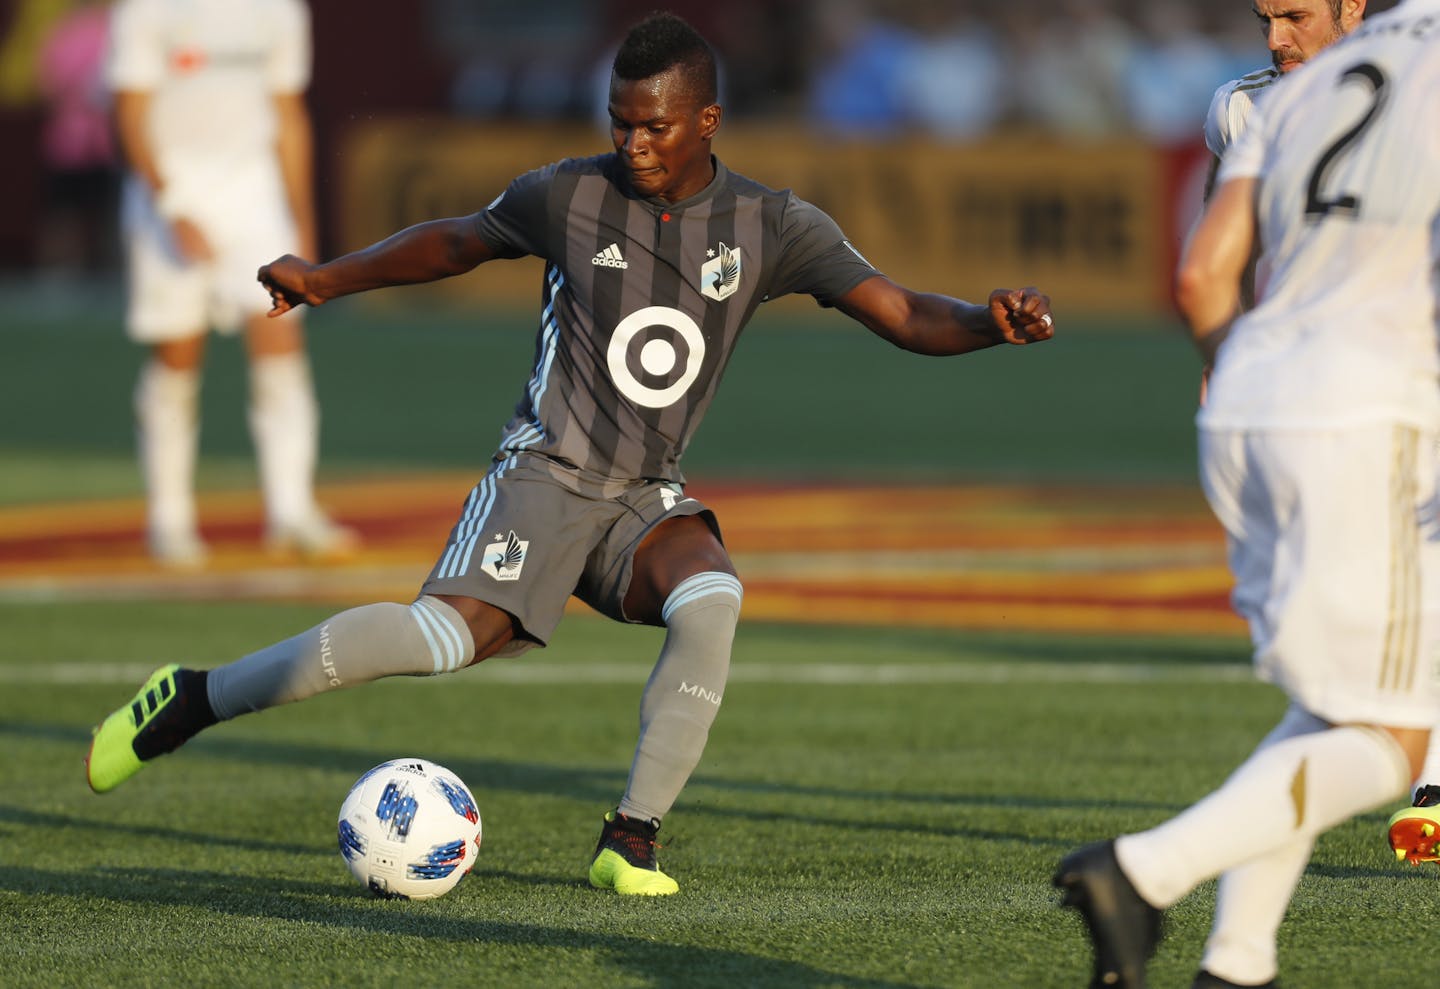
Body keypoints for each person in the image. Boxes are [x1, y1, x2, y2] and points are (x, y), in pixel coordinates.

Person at [84, 12, 1055, 896]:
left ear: (707, 121)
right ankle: (196, 696)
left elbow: (902, 313)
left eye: (654, 127)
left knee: (712, 595)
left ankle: (630, 838)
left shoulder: (774, 225)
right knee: (441, 640)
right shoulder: (566, 194)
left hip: (642, 496)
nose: (631, 143)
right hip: (544, 476)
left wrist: (984, 320)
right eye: (619, 121)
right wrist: (327, 280)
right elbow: (457, 243)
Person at [1055, 3, 1440, 987]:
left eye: (1292, 13)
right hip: (1369, 408)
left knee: (1330, 700)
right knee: (1392, 739)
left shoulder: (1278, 101)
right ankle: (1142, 870)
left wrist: (1245, 378)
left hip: (1254, 398)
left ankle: (1237, 961)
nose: (1276, 36)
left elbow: (1200, 275)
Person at [107, 0, 355, 567]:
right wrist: (171, 205)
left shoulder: (280, 10)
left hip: (253, 196)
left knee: (281, 344)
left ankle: (291, 512)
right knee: (177, 354)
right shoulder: (146, 10)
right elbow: (130, 111)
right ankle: (169, 520)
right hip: (169, 200)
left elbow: (288, 112)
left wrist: (302, 221)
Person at [1200, 0, 1366, 308]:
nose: (1275, 40)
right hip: (1299, 343)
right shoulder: (1240, 106)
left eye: (1295, 17)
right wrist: (1232, 347)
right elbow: (1226, 254)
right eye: (1265, 20)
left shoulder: (1421, 92)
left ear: (1352, 6)